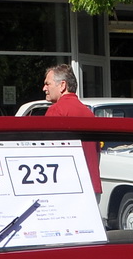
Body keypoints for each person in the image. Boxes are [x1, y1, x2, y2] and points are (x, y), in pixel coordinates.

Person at [39, 63, 100, 193]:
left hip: (67, 187)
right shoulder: (88, 112)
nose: (44, 88)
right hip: (91, 185)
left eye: (47, 84)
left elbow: (48, 151)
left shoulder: (56, 110)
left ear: (62, 85)